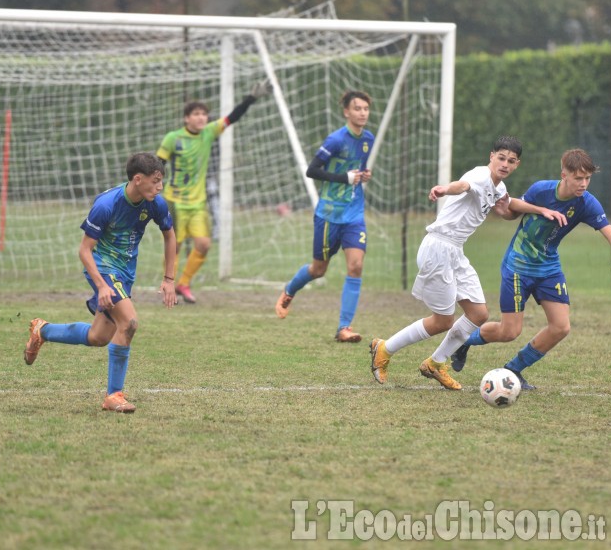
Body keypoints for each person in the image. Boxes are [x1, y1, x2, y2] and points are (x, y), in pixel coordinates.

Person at [369, 136, 566, 389]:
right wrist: (443, 189)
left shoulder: (499, 187)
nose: (505, 164)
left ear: (517, 164)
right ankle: (385, 348)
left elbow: (507, 206)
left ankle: (435, 363)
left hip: (455, 251)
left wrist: (540, 211)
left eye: (511, 161)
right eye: (501, 158)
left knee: (478, 314)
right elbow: (462, 186)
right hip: (438, 247)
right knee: (442, 321)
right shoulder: (481, 175)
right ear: (491, 156)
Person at [450, 148, 611, 389]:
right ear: (564, 174)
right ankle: (463, 341)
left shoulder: (586, 203)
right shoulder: (541, 190)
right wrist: (504, 211)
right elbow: (513, 210)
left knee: (561, 327)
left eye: (587, 178)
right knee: (509, 332)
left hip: (549, 268)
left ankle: (514, 369)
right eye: (578, 178)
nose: (583, 184)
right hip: (518, 266)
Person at [23, 152, 177, 413]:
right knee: (129, 322)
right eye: (156, 181)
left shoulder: (155, 203)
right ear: (138, 179)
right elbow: (84, 250)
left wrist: (169, 279)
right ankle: (113, 396)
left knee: (98, 337)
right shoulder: (107, 205)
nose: (160, 186)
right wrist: (102, 285)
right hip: (102, 267)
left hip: (124, 272)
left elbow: (170, 236)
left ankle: (43, 330)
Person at [156, 79, 271, 304]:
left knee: (204, 244)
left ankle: (184, 283)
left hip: (198, 202)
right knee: (175, 246)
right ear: (186, 118)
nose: (201, 117)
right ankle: (167, 286)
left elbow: (232, 117)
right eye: (196, 113)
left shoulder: (209, 132)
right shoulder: (173, 138)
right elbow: (158, 165)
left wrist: (252, 98)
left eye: (204, 114)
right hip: (175, 201)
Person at [275, 90, 374, 343]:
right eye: (358, 108)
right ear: (347, 112)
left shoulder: (368, 139)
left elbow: (355, 170)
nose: (362, 113)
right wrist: (346, 178)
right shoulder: (335, 140)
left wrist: (361, 176)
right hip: (329, 214)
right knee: (318, 269)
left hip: (354, 213)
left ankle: (344, 328)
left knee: (356, 266)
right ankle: (289, 291)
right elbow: (312, 170)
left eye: (366, 109)